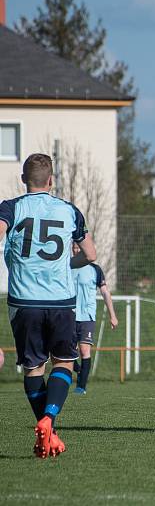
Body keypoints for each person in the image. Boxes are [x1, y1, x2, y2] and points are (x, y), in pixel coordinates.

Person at [0, 153, 97, 458]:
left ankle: (49, 430)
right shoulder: (70, 211)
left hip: (23, 300)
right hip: (61, 301)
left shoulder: (11, 207)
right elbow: (90, 254)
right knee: (64, 363)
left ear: (23, 180)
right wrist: (68, 263)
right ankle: (50, 419)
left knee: (33, 368)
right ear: (52, 180)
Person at [71, 242, 118, 394]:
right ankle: (78, 369)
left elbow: (105, 292)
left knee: (84, 351)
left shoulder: (95, 270)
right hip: (67, 315)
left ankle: (81, 386)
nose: (77, 249)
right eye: (75, 247)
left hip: (86, 316)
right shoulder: (66, 267)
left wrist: (113, 315)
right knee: (65, 351)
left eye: (80, 247)